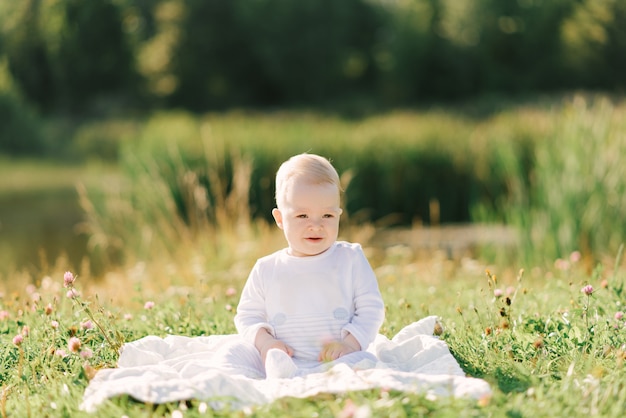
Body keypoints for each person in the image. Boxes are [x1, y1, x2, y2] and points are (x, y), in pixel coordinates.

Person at [234, 153, 385, 379]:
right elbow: (247, 316)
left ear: (339, 215)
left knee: (365, 363)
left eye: (327, 215)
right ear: (280, 219)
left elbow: (371, 309)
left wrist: (350, 344)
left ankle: (343, 372)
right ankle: (283, 372)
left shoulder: (350, 259)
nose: (316, 225)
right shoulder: (267, 268)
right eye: (302, 215)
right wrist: (267, 343)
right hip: (286, 355)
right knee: (236, 354)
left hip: (341, 356)